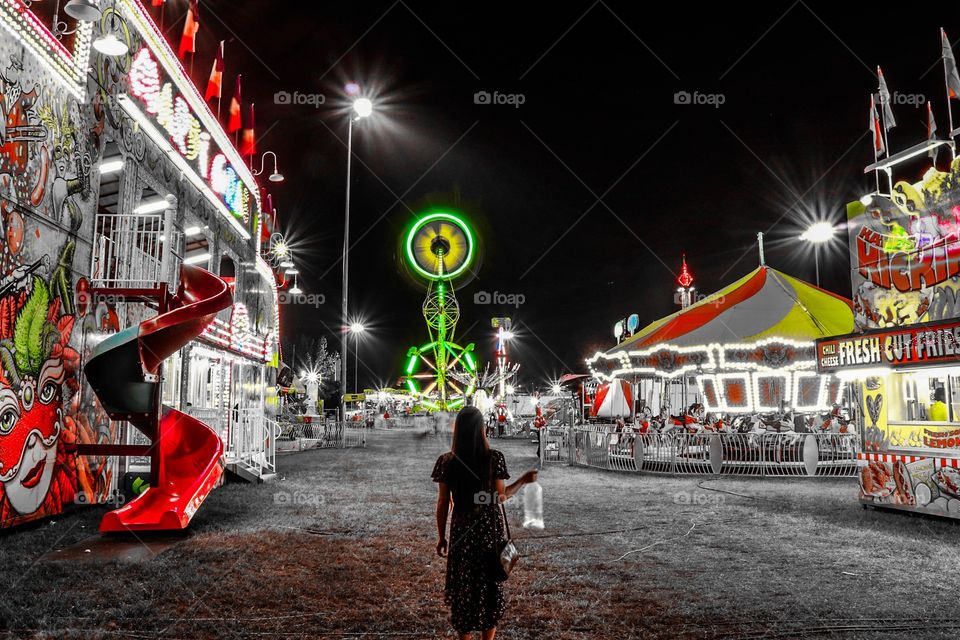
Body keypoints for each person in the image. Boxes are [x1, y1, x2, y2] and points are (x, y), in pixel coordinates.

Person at [432, 406, 538, 640]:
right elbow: (499, 497)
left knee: (464, 588)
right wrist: (522, 480)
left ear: (458, 430)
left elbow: (443, 502)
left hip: (461, 532)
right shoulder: (493, 459)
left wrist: (442, 537)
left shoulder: (447, 462)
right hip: (489, 532)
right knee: (489, 586)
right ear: (481, 429)